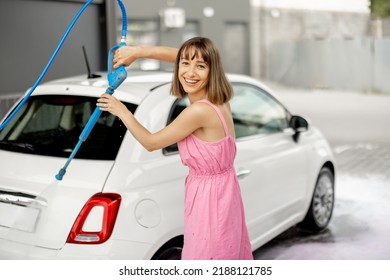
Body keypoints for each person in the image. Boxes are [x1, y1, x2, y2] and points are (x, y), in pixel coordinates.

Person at [97, 37, 253, 260]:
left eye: (200, 66)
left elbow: (151, 142)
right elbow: (178, 55)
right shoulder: (220, 99)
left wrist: (121, 110)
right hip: (225, 194)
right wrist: (139, 52)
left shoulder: (198, 112)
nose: (190, 73)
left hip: (209, 200)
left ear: (212, 71)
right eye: (185, 64)